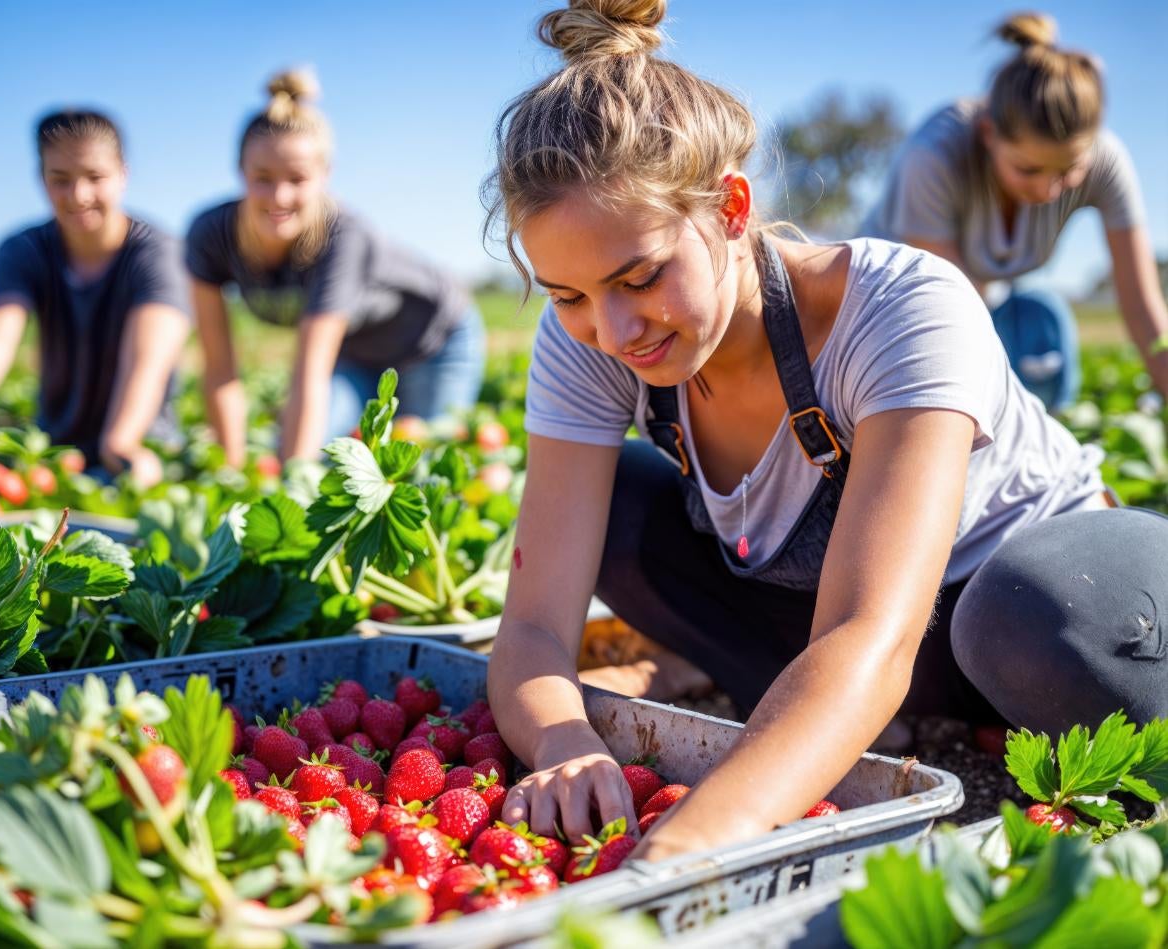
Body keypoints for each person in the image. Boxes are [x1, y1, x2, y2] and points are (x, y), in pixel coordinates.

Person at [484, 0, 1168, 863]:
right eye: (568, 294)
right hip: (870, 652)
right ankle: (836, 726)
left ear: (731, 209)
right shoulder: (592, 340)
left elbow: (869, 635)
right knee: (619, 510)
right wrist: (562, 743)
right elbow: (535, 625)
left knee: (1023, 618)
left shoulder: (898, 308)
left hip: (1046, 601)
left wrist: (695, 842)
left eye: (643, 274)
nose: (614, 331)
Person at [862, 13, 1168, 411]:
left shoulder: (1106, 162)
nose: (1048, 189)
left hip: (984, 301)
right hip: (891, 310)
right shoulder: (934, 156)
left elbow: (1144, 309)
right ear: (989, 134)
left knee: (1043, 324)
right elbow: (948, 313)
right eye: (1029, 170)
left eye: (1068, 169)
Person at [186, 69, 485, 467]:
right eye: (263, 178)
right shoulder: (210, 235)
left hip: (433, 343)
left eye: (297, 178)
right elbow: (220, 368)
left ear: (325, 176)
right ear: (240, 171)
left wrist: (289, 487)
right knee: (323, 453)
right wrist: (233, 474)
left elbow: (309, 371)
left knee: (418, 468)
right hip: (357, 356)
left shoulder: (342, 235)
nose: (279, 195)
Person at [0, 110, 190, 486]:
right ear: (41, 179)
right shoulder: (24, 250)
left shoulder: (158, 253)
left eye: (95, 177)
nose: (79, 195)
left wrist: (122, 441)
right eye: (60, 180)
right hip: (54, 453)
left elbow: (149, 357)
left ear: (123, 174)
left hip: (139, 452)